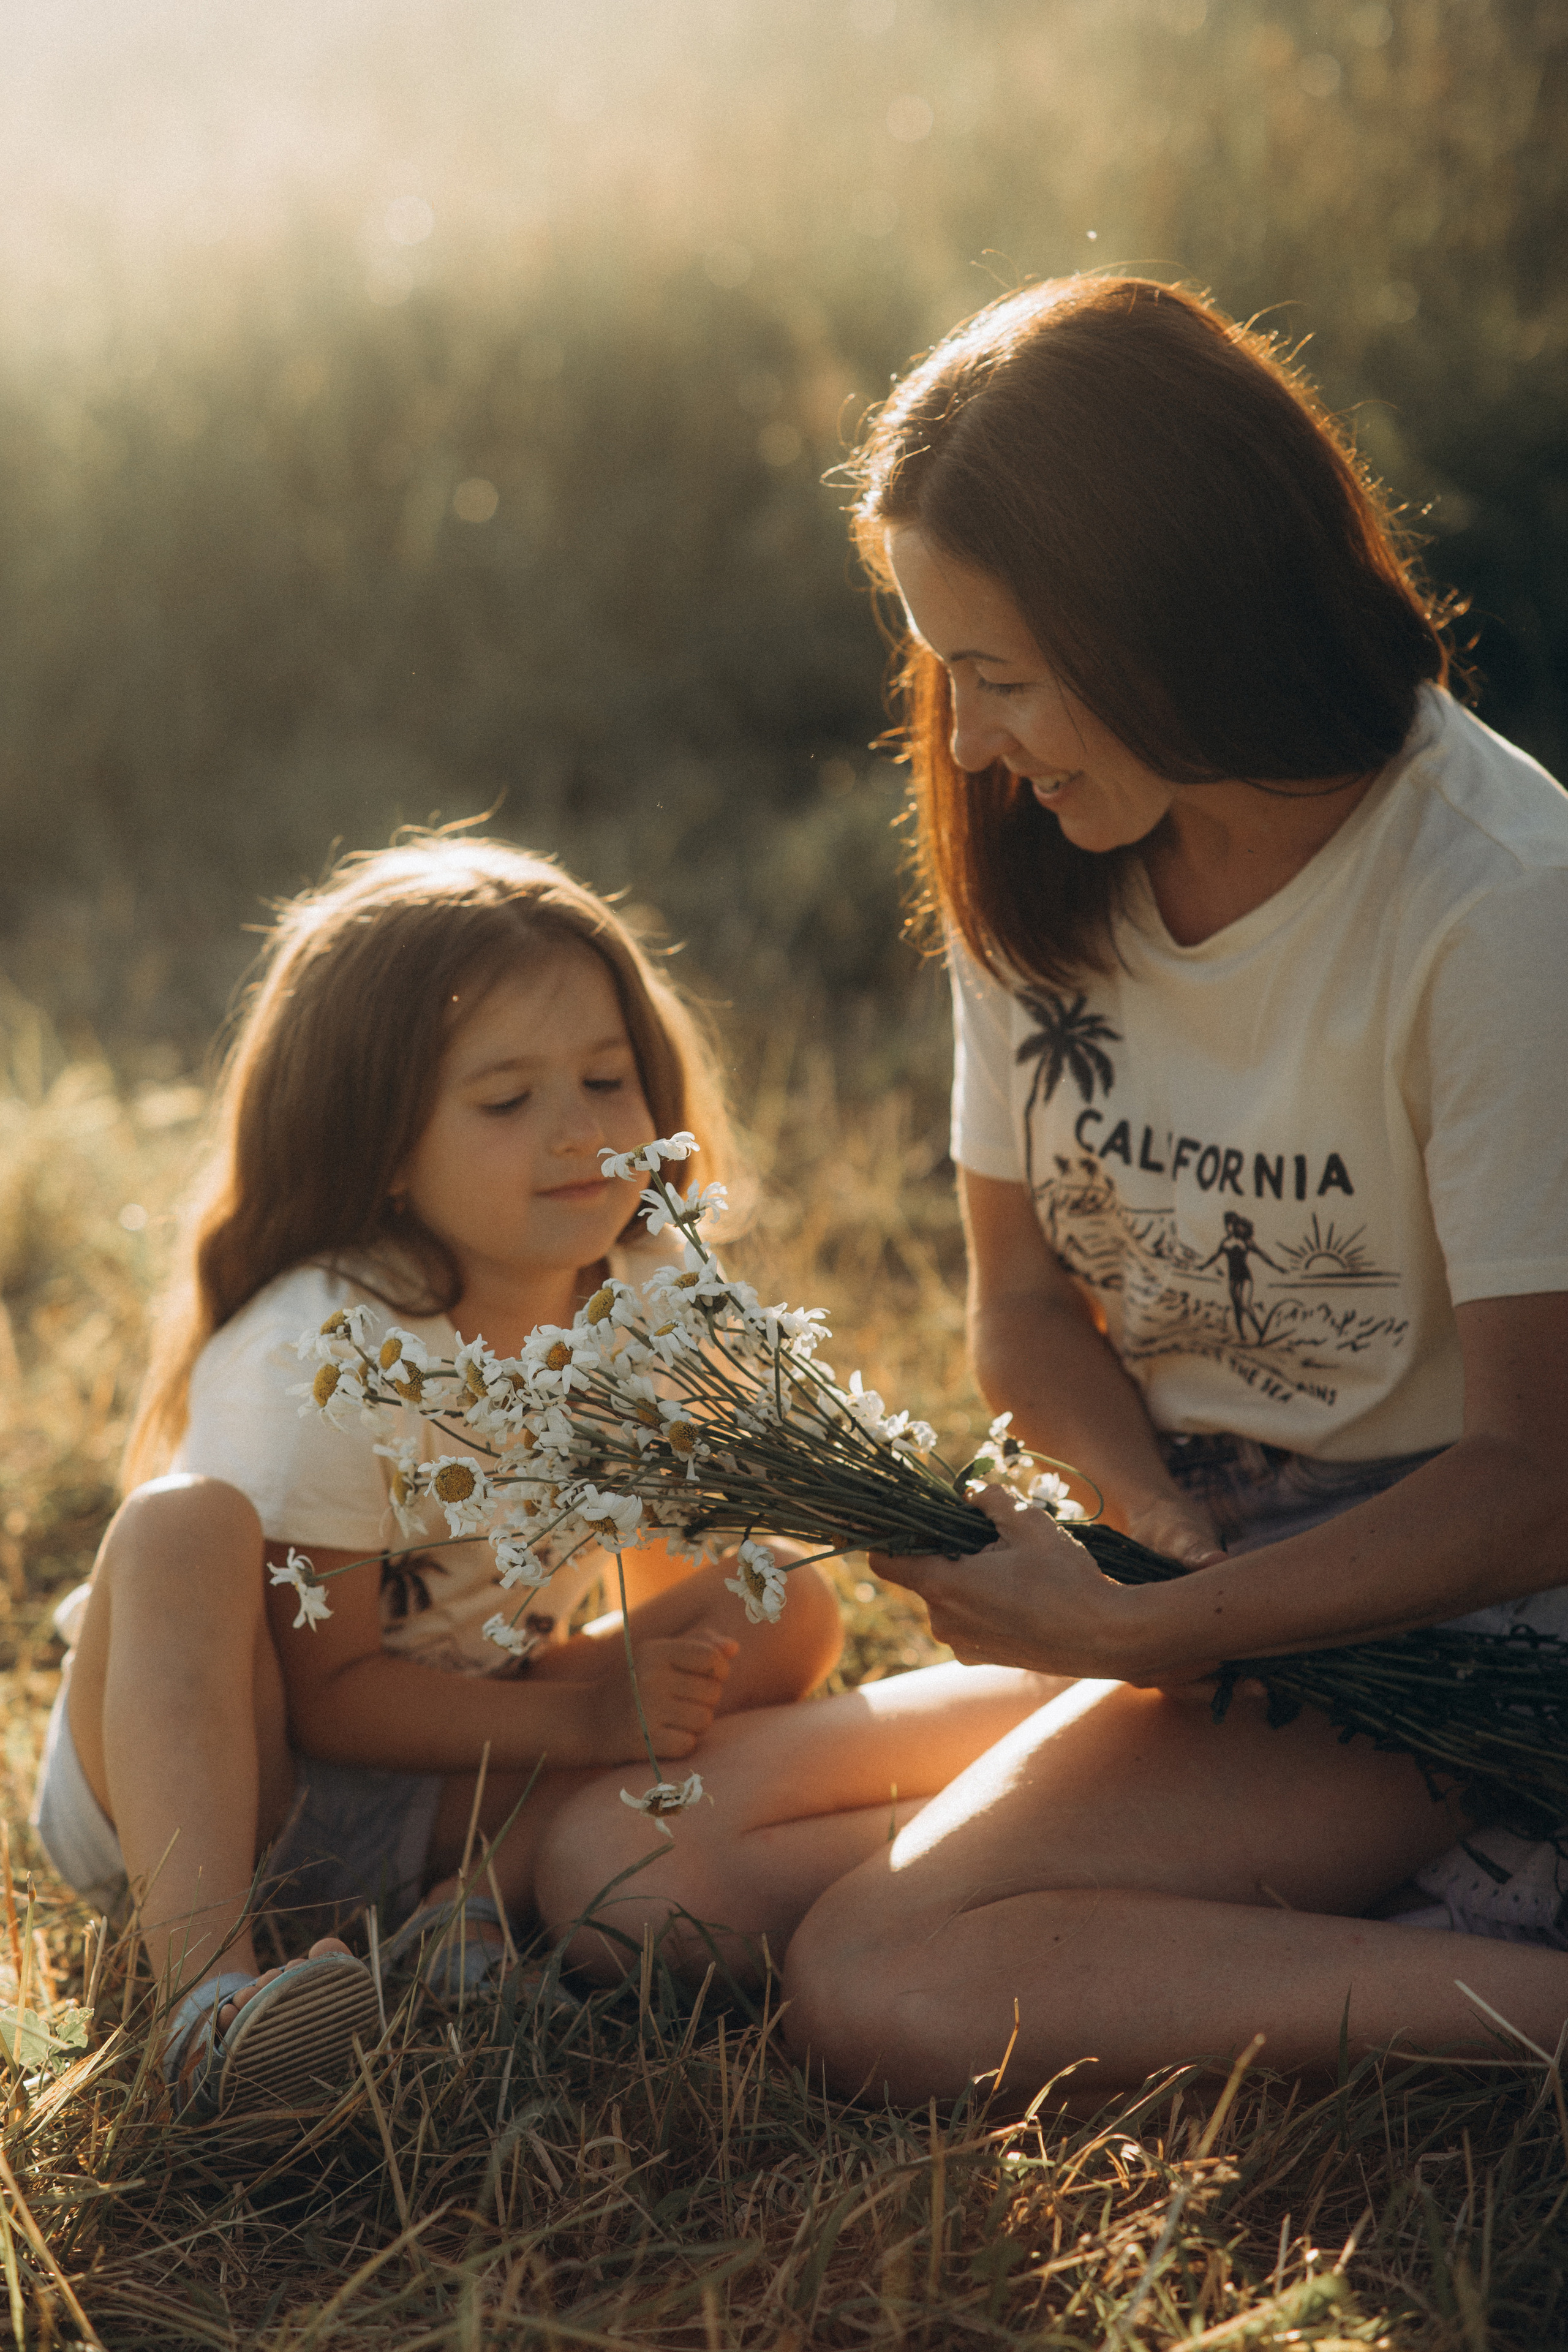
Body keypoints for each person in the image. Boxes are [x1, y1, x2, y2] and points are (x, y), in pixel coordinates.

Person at [539, 274, 1568, 2102]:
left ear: (1166, 621)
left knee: (877, 1979)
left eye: (1001, 674)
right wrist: (1143, 1542)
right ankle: (1344, 1899)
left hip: (1449, 1624)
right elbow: (1023, 1307)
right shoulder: (1047, 860)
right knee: (626, 1867)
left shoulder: (1497, 910)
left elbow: (1533, 1486)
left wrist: (1156, 1631)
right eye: (944, 670)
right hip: (1204, 1568)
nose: (971, 738)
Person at [31, 837, 844, 2116]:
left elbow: (653, 1568)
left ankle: (462, 1911)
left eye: (604, 1077)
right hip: (231, 1781)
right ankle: (209, 2002)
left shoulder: (638, 1314)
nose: (578, 1131)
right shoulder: (326, 1352)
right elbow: (333, 1695)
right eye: (505, 1099)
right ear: (386, 1145)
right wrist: (588, 1719)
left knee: (778, 1603)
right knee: (180, 1530)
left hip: (454, 1776)